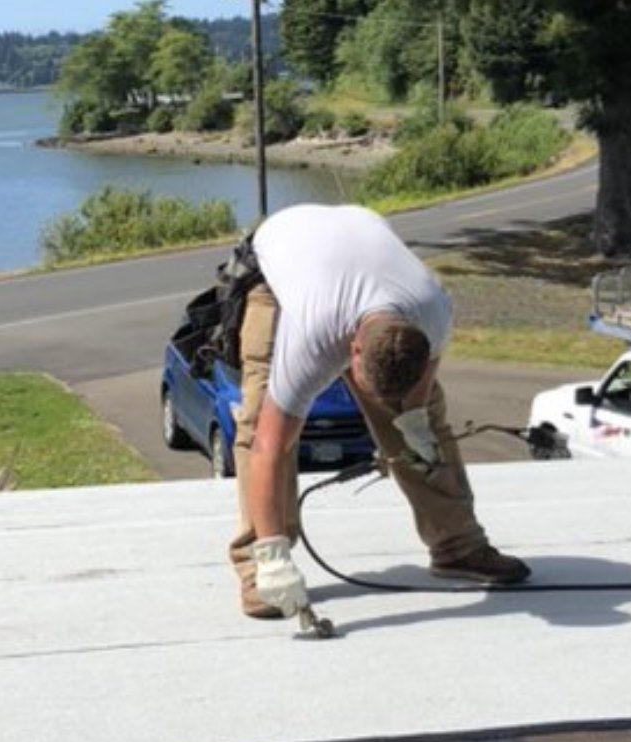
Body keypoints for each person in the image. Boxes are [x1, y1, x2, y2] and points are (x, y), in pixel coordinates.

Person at [227, 203, 530, 619]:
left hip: (357, 251)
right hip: (276, 275)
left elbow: (420, 392)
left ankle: (457, 546)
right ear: (350, 351)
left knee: (426, 424)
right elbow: (269, 446)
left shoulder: (432, 310)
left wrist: (415, 420)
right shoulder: (312, 337)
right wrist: (273, 555)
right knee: (260, 419)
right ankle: (262, 567)